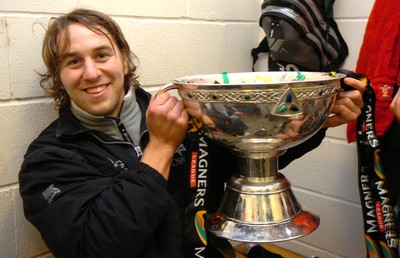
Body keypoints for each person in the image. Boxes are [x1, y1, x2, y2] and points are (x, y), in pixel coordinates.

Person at [19, 8, 365, 258]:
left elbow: (246, 159)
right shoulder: (47, 159)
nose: (92, 72)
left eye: (102, 54)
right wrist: (160, 149)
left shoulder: (185, 115)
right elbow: (96, 247)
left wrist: (313, 122)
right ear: (59, 76)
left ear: (124, 60)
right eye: (73, 61)